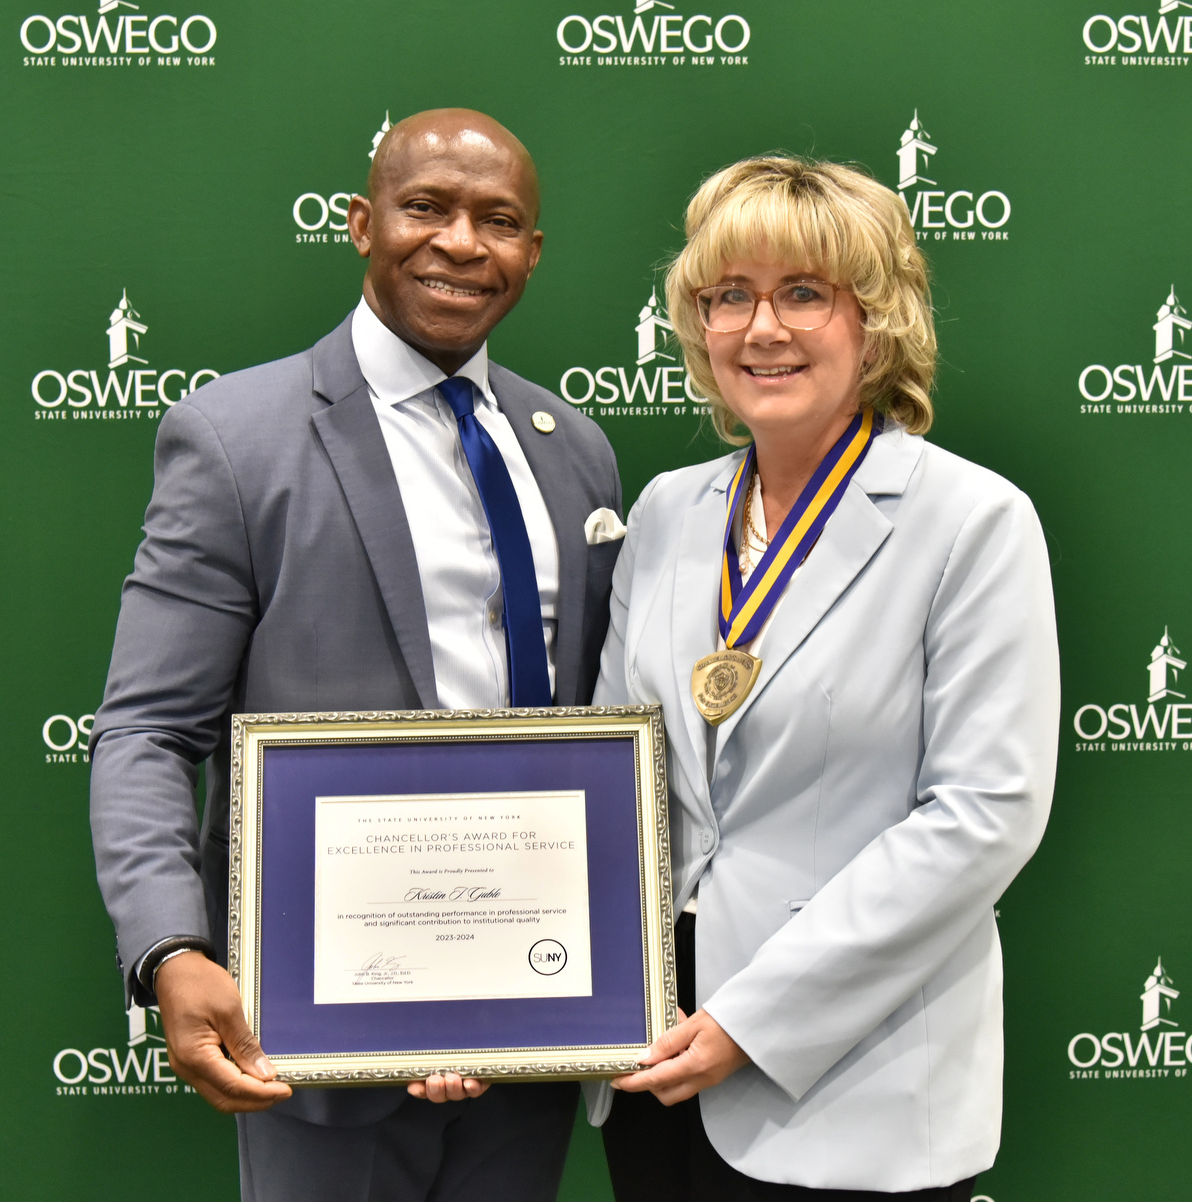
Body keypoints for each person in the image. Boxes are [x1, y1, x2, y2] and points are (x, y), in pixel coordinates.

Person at [88, 109, 623, 1202]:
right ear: (361, 224)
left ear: (532, 254)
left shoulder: (577, 452)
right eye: (427, 206)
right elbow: (146, 729)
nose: (462, 242)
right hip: (320, 1041)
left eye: (500, 219)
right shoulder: (237, 439)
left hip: (536, 1023)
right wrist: (170, 949)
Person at [588, 156, 1060, 1199]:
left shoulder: (971, 522)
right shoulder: (667, 511)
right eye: (731, 296)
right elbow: (609, 776)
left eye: (804, 292)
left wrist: (756, 1020)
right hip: (655, 1064)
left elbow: (985, 814)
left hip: (854, 1084)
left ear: (878, 322)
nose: (763, 328)